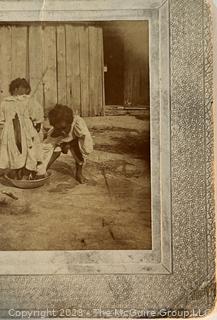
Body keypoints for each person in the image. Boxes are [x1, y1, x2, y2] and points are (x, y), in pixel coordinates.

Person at [37, 104, 93, 183]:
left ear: (70, 122)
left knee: (79, 153)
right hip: (62, 137)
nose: (62, 132)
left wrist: (70, 144)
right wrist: (40, 168)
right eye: (58, 128)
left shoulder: (78, 125)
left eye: (63, 128)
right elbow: (45, 148)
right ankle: (43, 170)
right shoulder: (57, 131)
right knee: (52, 150)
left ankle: (79, 174)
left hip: (75, 137)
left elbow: (85, 140)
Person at [0, 78, 44, 179]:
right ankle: (17, 172)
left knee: (29, 152)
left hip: (26, 131)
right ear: (15, 89)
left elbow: (37, 113)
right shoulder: (5, 102)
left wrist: (37, 125)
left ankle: (25, 173)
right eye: (24, 88)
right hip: (11, 133)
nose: (27, 91)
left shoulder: (28, 100)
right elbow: (1, 120)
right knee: (14, 152)